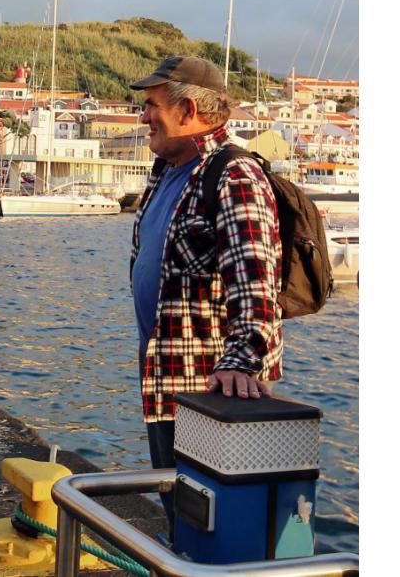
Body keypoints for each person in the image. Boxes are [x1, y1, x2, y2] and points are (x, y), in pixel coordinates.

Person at [128, 56, 283, 524]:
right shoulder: (167, 171)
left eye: (152, 104)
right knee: (182, 516)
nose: (144, 116)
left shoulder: (233, 175)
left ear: (189, 108)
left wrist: (241, 360)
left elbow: (255, 276)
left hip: (212, 386)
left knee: (218, 524)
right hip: (167, 373)